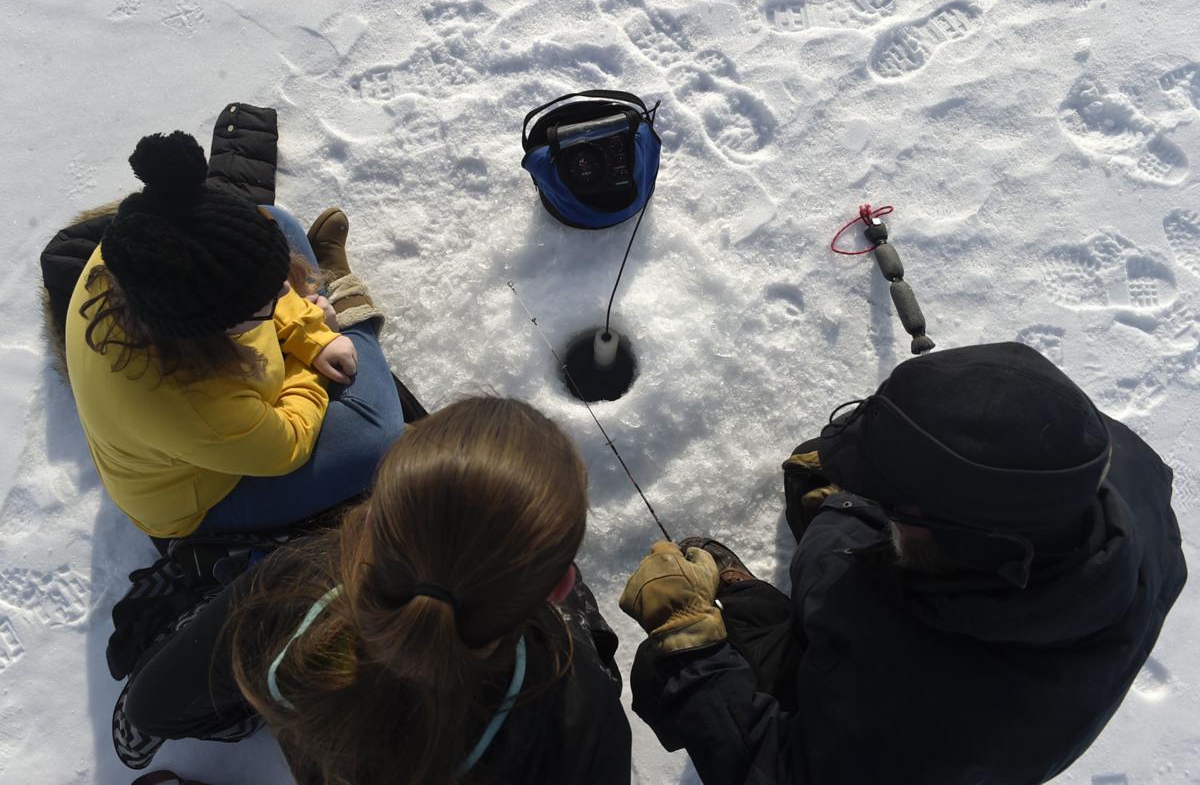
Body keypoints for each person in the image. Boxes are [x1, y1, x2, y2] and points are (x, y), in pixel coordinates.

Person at [621, 342, 1187, 785]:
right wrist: (873, 483)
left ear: (960, 541)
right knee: (819, 495)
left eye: (885, 502)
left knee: (673, 672)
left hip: (897, 724)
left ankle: (725, 634)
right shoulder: (1110, 460)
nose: (865, 497)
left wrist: (690, 645)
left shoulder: (926, 723)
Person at [121, 396, 632, 784]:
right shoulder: (579, 711)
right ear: (560, 587)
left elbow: (151, 708)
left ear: (366, 523)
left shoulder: (303, 591)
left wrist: (259, 708)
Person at [65, 130, 405, 538]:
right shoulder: (197, 407)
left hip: (202, 425)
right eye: (264, 305)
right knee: (378, 439)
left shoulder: (132, 253)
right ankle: (353, 313)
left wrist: (307, 330)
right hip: (207, 492)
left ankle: (332, 311)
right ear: (210, 332)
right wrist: (309, 354)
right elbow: (289, 443)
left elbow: (259, 279)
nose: (284, 294)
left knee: (275, 221)